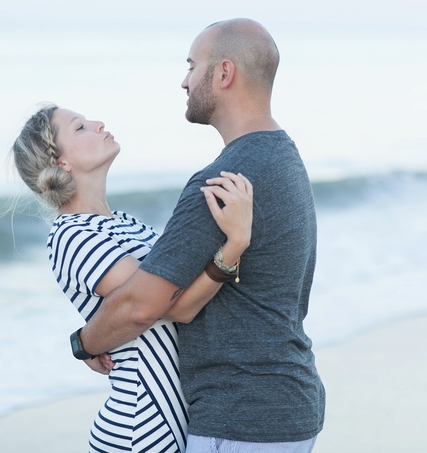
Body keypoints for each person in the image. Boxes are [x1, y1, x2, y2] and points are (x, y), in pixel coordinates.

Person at [76, 18, 325, 453]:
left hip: (241, 417)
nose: (184, 81)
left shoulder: (223, 182)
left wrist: (85, 342)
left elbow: (141, 305)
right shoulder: (282, 155)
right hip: (286, 405)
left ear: (224, 73)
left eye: (192, 66)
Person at [11, 103, 253, 452]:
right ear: (61, 162)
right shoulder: (71, 235)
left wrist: (86, 341)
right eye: (80, 127)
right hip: (140, 426)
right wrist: (235, 244)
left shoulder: (124, 222)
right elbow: (172, 306)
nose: (98, 124)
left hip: (176, 419)